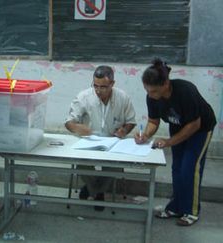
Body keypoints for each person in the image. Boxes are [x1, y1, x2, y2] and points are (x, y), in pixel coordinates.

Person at [135, 58, 216, 226]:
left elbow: (194, 124)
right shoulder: (152, 96)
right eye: (147, 90)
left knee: (190, 168)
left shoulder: (185, 91)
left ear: (166, 84)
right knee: (177, 168)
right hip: (178, 126)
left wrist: (169, 141)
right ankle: (176, 207)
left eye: (154, 91)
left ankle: (191, 211)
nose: (151, 95)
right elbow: (153, 121)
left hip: (201, 129)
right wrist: (145, 135)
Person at [65, 65, 136, 211]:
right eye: (95, 86)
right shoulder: (84, 97)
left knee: (114, 167)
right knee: (81, 164)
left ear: (112, 84)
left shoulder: (123, 98)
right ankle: (98, 192)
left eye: (103, 87)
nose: (98, 91)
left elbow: (131, 121)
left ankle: (93, 190)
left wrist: (124, 130)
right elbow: (68, 122)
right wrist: (77, 127)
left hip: (113, 142)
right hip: (88, 142)